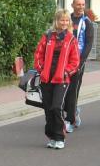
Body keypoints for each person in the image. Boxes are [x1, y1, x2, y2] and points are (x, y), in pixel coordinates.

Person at [34, 9, 80, 149]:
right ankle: (52, 136)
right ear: (56, 21)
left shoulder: (71, 39)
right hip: (46, 79)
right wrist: (41, 70)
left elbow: (75, 61)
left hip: (62, 80)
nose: (64, 23)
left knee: (56, 107)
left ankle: (60, 137)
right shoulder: (47, 37)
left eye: (67, 20)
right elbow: (38, 55)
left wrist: (66, 72)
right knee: (48, 109)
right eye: (62, 20)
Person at [62, 0, 94, 133]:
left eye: (83, 4)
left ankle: (70, 120)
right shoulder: (66, 19)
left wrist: (80, 62)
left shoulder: (87, 22)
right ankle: (73, 110)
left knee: (72, 90)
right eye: (78, 4)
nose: (81, 7)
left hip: (77, 62)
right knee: (62, 90)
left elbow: (88, 44)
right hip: (64, 61)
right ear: (72, 5)